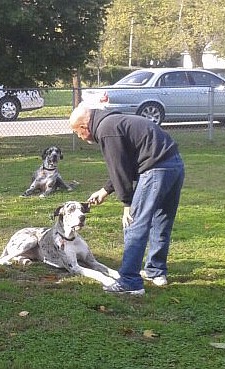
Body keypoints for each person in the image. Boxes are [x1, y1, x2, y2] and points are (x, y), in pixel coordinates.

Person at [69, 104, 184, 296]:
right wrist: (105, 190)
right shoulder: (115, 121)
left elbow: (120, 170)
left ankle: (130, 281)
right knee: (161, 221)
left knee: (134, 224)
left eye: (77, 133)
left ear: (84, 127)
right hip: (174, 166)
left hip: (154, 169)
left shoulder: (106, 129)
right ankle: (155, 271)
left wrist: (127, 204)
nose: (79, 137)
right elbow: (127, 164)